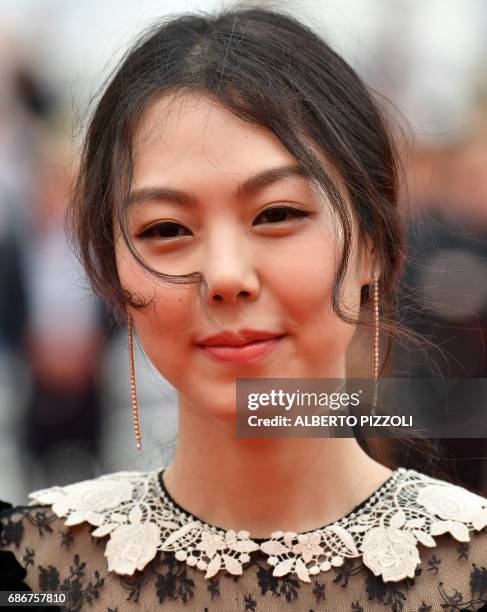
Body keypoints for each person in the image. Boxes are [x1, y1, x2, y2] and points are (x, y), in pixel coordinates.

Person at [1, 5, 487, 611]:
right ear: (113, 273)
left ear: (373, 244)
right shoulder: (32, 571)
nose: (226, 277)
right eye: (166, 228)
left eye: (277, 214)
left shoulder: (470, 571)